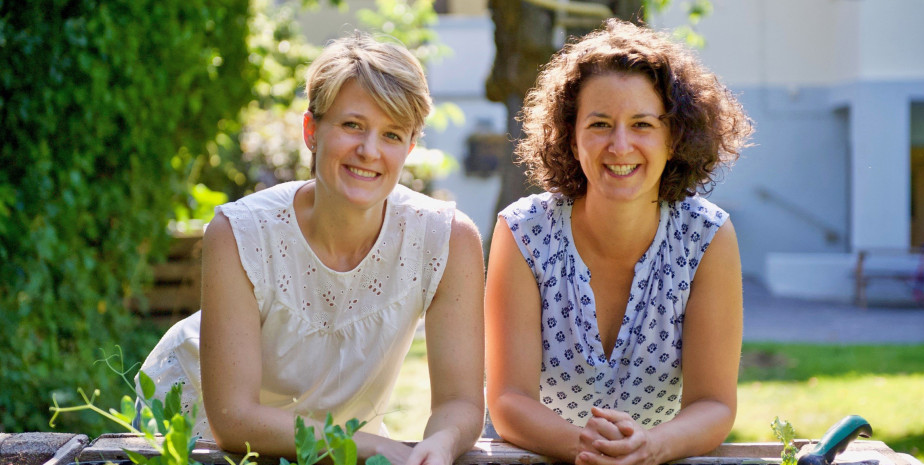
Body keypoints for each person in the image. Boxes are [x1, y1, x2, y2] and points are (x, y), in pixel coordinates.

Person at [136, 33, 486, 465]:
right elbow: (233, 419)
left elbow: (460, 403)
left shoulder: (446, 239)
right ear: (311, 131)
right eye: (352, 125)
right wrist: (374, 446)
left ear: (409, 148)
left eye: (392, 134)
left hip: (335, 441)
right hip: (201, 428)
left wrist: (441, 444)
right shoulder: (238, 232)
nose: (369, 151)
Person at [484, 19, 753, 465]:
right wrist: (587, 448)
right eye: (600, 124)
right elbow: (510, 399)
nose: (620, 145)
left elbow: (714, 404)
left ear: (674, 138)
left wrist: (651, 446)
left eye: (642, 124)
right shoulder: (523, 231)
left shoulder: (707, 237)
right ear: (571, 139)